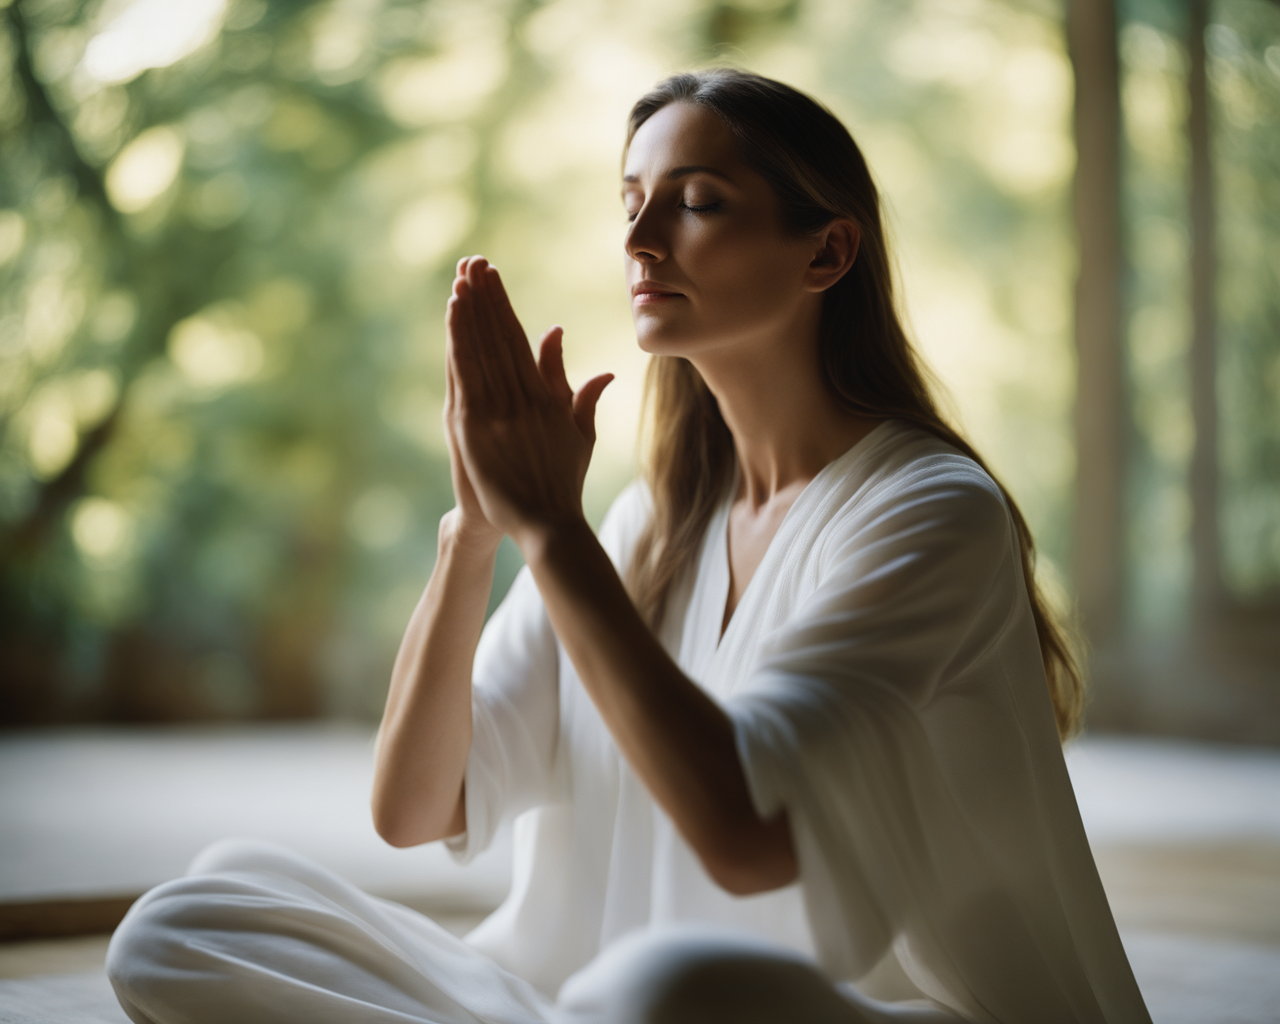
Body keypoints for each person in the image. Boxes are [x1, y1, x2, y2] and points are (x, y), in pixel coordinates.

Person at [106, 69, 1152, 1023]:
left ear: (826, 252)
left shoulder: (928, 510)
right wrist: (478, 528)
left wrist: (549, 529)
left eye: (695, 202)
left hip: (859, 1010)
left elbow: (745, 835)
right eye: (629, 202)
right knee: (187, 918)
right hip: (580, 1000)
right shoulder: (649, 524)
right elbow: (414, 807)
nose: (639, 237)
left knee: (658, 989)